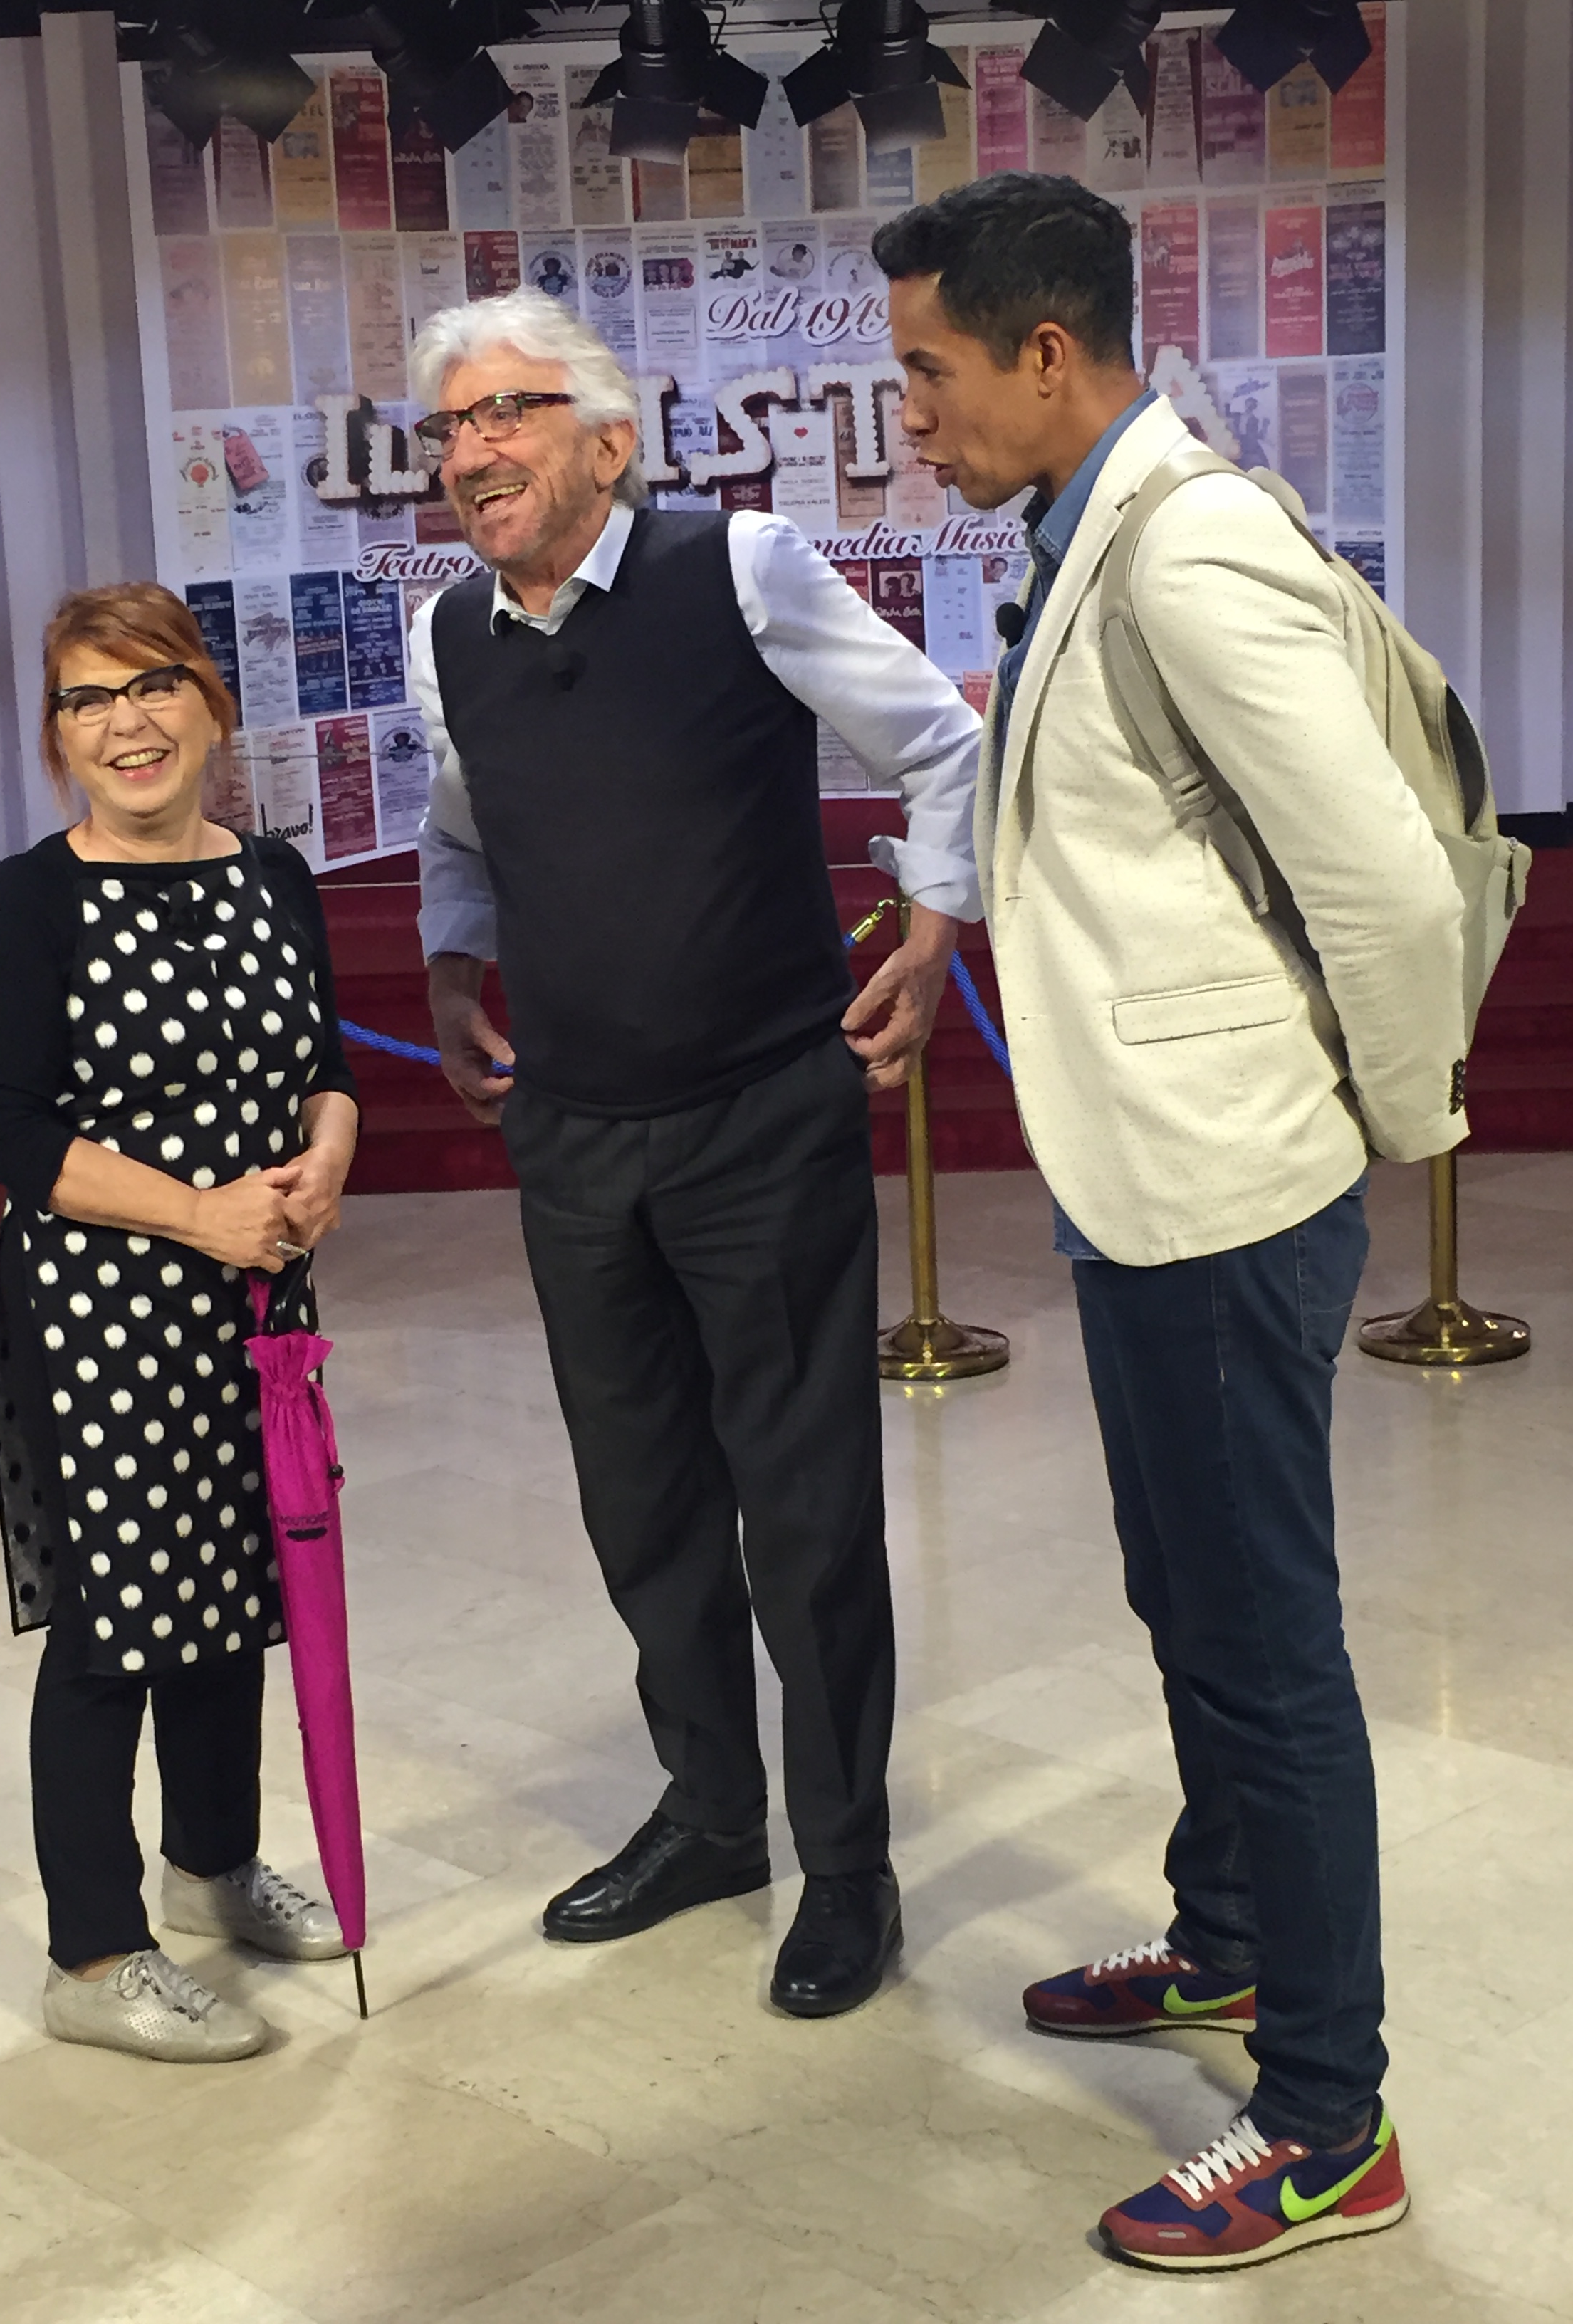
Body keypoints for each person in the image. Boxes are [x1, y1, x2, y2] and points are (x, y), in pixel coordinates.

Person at [874, 174, 1463, 2271]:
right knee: (1187, 1596)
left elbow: (1388, 885)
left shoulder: (1191, 545)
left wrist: (1391, 1120)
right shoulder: (1091, 527)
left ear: (1049, 353)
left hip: (1225, 1188)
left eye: (930, 373)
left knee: (1265, 1646)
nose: (910, 419)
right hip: (1146, 1179)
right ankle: (1227, 1941)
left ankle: (1325, 2120)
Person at [409, 289, 982, 2017]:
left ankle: (849, 1864)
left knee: (806, 1511)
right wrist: (449, 963)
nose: (472, 452)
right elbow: (462, 824)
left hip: (760, 1120)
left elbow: (941, 740)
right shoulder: (453, 635)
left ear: (608, 440)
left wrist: (934, 927)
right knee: (643, 1503)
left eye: (505, 413)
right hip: (576, 1136)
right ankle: (715, 1816)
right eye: (448, 427)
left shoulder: (737, 566)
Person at [0, 583, 361, 2064]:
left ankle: (212, 1865)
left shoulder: (275, 873)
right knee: (115, 1626)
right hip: (99, 1315)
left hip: (257, 1303)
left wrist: (329, 1153)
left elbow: (323, 1063)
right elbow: (4, 1131)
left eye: (152, 687)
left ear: (211, 707)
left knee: (236, 1591)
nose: (125, 723)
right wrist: (197, 1214)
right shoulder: (34, 900)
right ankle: (91, 1951)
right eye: (88, 698)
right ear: (58, 735)